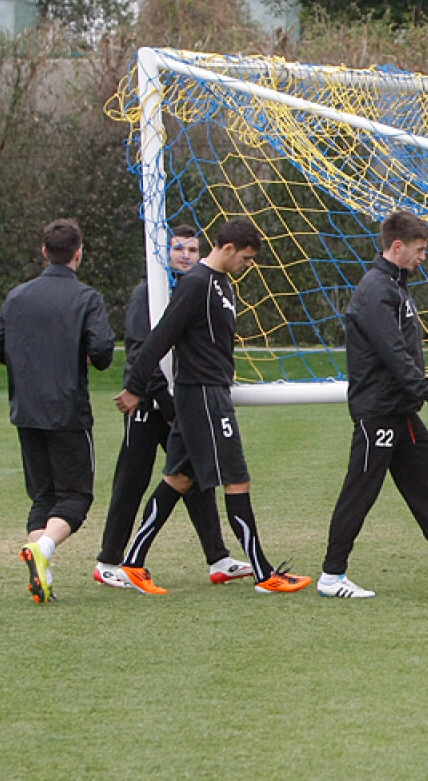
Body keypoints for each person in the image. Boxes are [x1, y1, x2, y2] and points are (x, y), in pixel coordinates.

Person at [113, 218, 312, 594]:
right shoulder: (196, 285)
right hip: (202, 396)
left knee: (179, 480)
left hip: (208, 393)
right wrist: (135, 387)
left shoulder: (222, 285)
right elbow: (160, 339)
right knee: (237, 479)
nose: (248, 266)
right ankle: (264, 572)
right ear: (227, 249)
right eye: (247, 258)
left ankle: (132, 563)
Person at [317, 210, 428, 598]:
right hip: (379, 413)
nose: (423, 258)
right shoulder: (375, 291)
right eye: (419, 250)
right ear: (396, 246)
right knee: (359, 492)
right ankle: (332, 575)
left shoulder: (396, 287)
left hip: (402, 413)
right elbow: (394, 354)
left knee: (427, 485)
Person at [94, 225, 252, 589]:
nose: (186, 255)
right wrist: (163, 402)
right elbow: (142, 349)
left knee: (194, 480)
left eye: (192, 249)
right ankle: (108, 560)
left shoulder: (200, 287)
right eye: (178, 249)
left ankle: (219, 558)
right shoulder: (149, 293)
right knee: (131, 481)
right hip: (151, 407)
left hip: (181, 404)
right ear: (162, 254)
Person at [0, 219, 115, 603]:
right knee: (76, 496)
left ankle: (40, 568)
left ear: (44, 252)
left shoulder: (17, 296)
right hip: (67, 411)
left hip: (26, 410)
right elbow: (104, 352)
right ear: (78, 253)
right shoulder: (87, 297)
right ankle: (43, 551)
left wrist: (30, 362)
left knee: (43, 496)